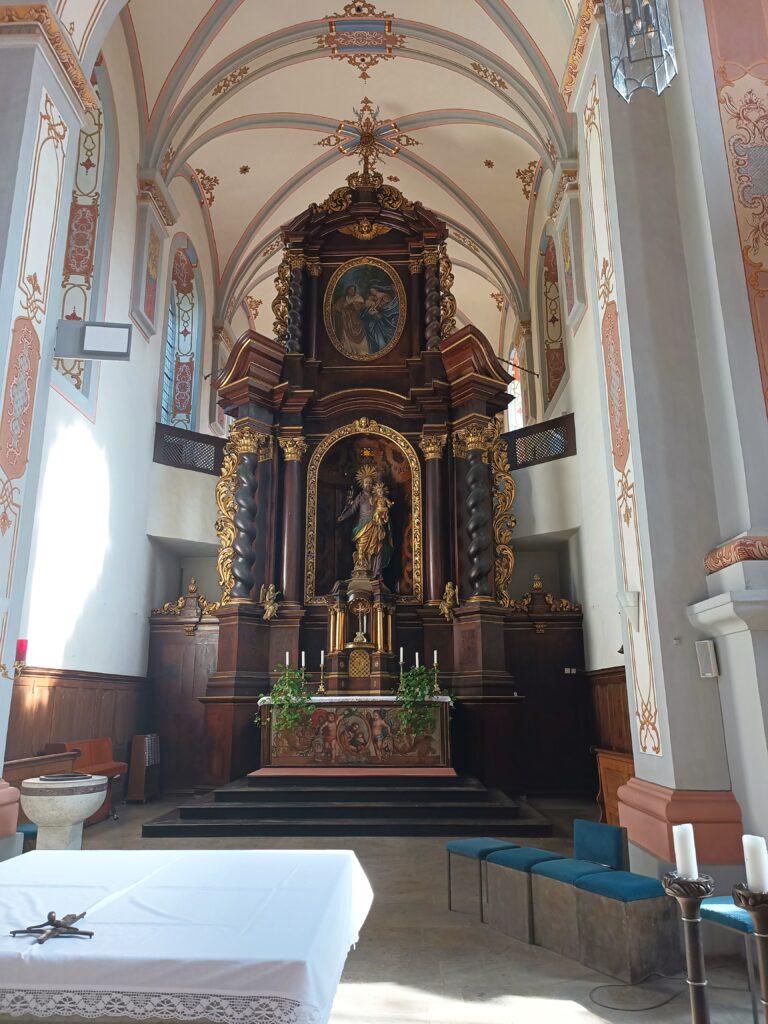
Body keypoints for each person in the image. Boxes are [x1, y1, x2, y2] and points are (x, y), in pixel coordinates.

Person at [360, 284, 399, 353]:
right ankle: (380, 347)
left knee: (380, 334)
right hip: (376, 320)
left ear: (376, 289)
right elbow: (374, 307)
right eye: (371, 291)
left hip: (381, 319)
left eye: (372, 290)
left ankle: (382, 346)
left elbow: (383, 306)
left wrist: (374, 308)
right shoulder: (375, 298)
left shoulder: (381, 295)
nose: (372, 292)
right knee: (376, 333)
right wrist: (372, 309)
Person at [333, 284, 367, 356]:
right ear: (347, 290)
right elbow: (337, 307)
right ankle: (348, 350)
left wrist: (349, 307)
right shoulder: (343, 298)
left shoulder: (358, 298)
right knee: (345, 336)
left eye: (353, 289)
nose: (352, 291)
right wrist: (339, 309)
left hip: (357, 321)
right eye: (350, 289)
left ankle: (360, 352)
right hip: (346, 321)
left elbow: (359, 308)